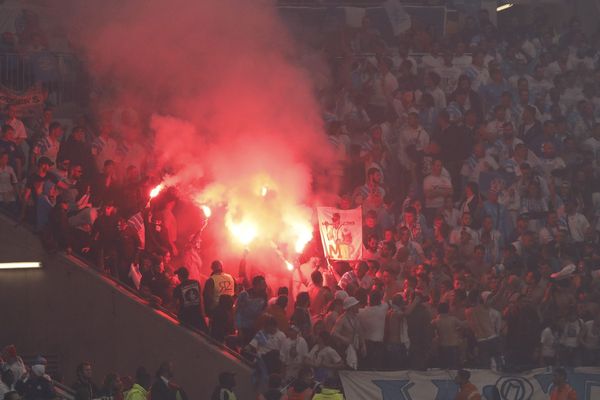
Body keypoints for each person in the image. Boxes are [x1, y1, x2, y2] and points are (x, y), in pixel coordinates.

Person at [173, 267, 207, 332]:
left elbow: (174, 304)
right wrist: (203, 314)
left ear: (180, 276)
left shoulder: (178, 288)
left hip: (186, 318)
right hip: (198, 316)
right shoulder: (196, 283)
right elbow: (201, 300)